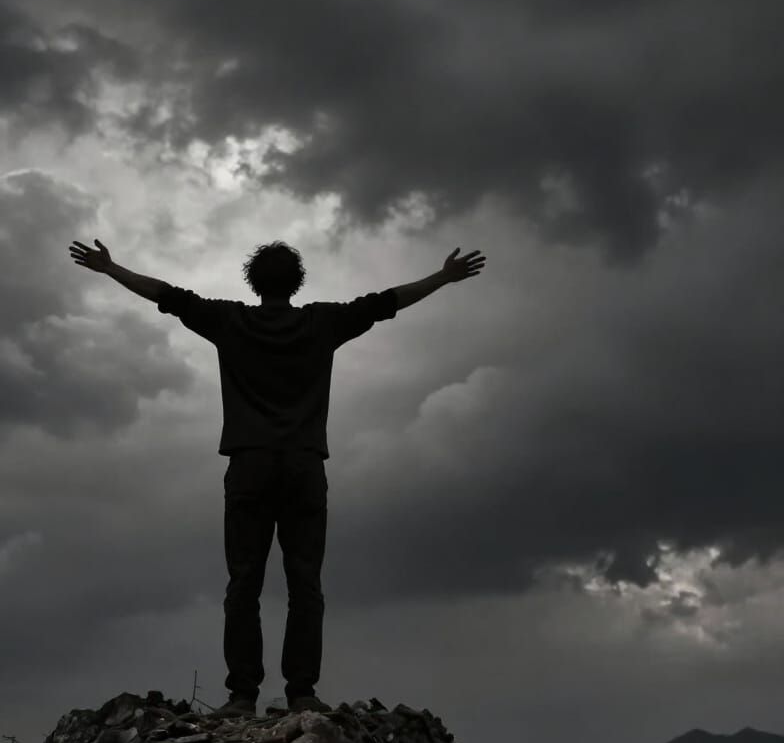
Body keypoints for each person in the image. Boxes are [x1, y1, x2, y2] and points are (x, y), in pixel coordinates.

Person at [69, 237, 486, 718]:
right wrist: (442, 277)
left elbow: (166, 294)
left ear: (253, 281)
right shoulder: (322, 322)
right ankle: (302, 692)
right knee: (304, 584)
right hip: (304, 467)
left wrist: (111, 268)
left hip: (249, 466)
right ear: (298, 281)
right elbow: (386, 302)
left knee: (243, 583)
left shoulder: (230, 321)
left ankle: (242, 695)